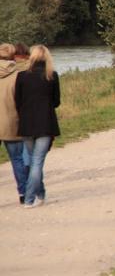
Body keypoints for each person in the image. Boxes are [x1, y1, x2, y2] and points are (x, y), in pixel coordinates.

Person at [15, 45, 60, 208]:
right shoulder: (52, 75)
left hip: (27, 124)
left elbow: (17, 101)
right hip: (45, 123)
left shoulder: (21, 76)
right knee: (37, 161)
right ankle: (29, 199)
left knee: (33, 160)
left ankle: (40, 194)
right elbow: (56, 101)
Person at [0, 43, 30, 204]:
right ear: (13, 56)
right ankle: (23, 193)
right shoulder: (18, 76)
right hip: (11, 122)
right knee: (17, 159)